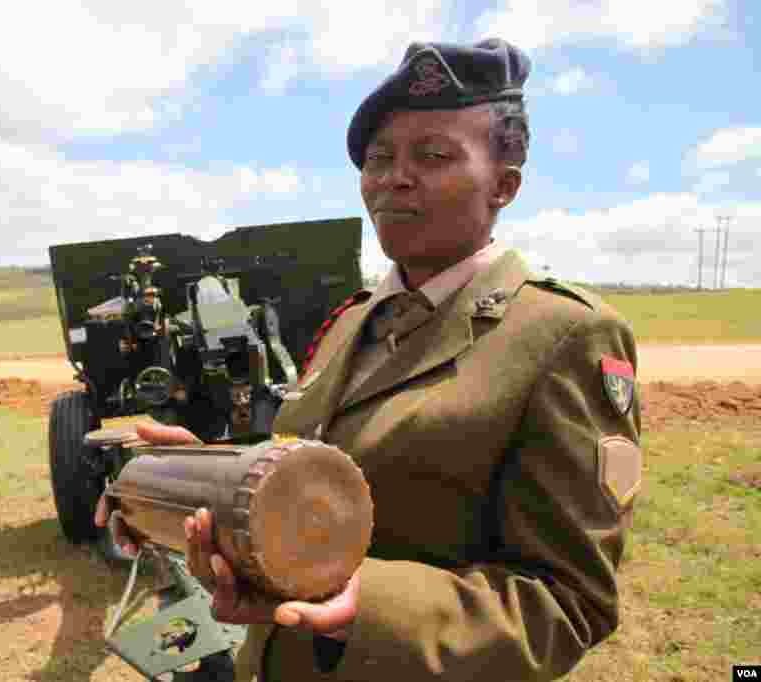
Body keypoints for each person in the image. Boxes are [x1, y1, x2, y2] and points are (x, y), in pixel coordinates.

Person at [97, 37, 642, 682]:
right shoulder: (351, 321)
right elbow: (307, 471)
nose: (394, 176)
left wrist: (370, 607)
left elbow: (569, 602)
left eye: (433, 155)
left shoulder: (564, 337)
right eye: (378, 157)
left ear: (505, 184)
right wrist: (198, 471)